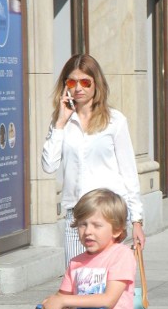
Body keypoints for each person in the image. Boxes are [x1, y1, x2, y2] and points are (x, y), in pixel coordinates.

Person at [42, 54, 145, 266]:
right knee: (76, 282)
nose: (78, 88)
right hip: (76, 215)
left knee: (106, 282)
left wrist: (136, 220)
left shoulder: (114, 121)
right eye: (71, 82)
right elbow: (48, 165)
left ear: (96, 84)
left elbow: (128, 172)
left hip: (109, 215)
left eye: (85, 82)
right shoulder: (61, 122)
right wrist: (60, 123)